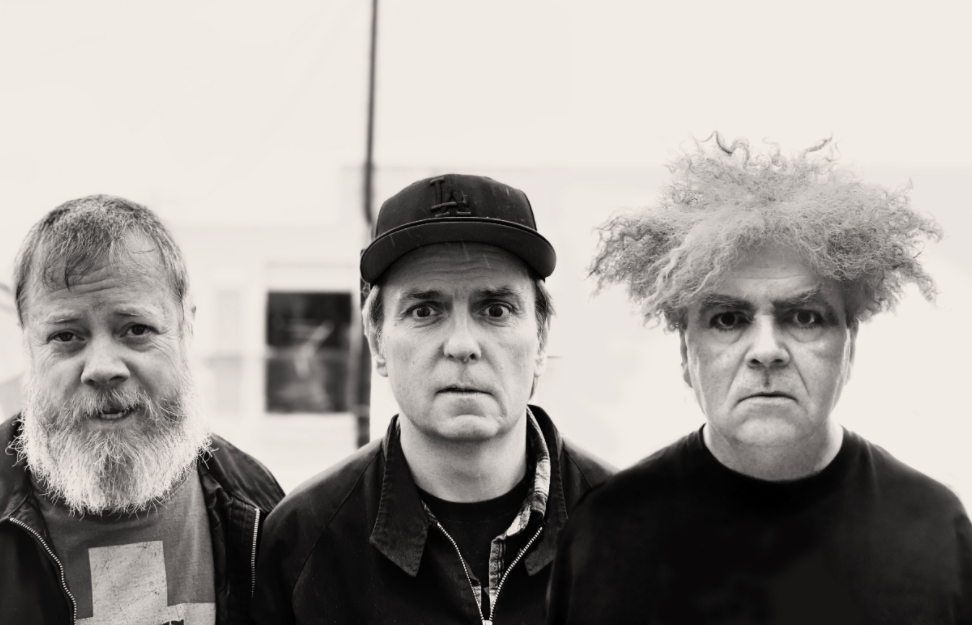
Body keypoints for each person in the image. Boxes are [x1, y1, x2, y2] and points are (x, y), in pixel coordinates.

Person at [547, 136, 972, 624]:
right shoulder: (605, 533)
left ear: (849, 345)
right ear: (686, 352)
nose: (767, 351)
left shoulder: (935, 529)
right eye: (728, 319)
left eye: (804, 317)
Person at [252, 174, 615, 624]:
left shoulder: (635, 530)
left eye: (495, 310)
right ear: (376, 341)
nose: (462, 345)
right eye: (424, 310)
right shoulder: (302, 542)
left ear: (540, 339)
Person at [0, 195, 285, 625]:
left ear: (187, 327)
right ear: (27, 345)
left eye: (136, 329)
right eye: (66, 336)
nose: (102, 368)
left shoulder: (263, 512)